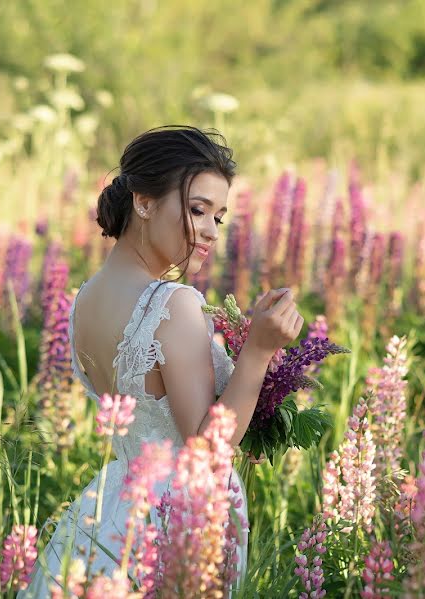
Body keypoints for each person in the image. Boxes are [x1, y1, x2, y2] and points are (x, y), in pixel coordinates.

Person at [22, 125, 302, 596]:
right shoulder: (173, 303)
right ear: (144, 202)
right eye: (197, 210)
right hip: (176, 519)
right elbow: (206, 448)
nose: (211, 231)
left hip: (110, 509)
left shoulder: (84, 301)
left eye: (220, 216)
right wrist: (258, 349)